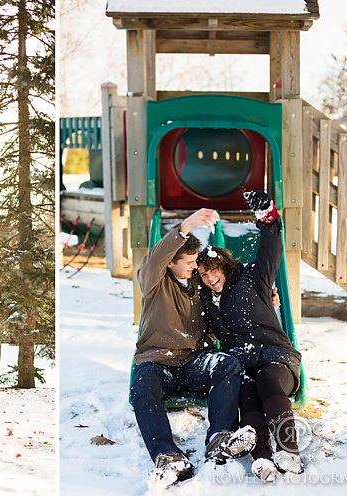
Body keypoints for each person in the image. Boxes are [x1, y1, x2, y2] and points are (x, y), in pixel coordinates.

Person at [129, 208, 256, 485]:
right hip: (158, 360)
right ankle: (168, 456)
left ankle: (219, 438)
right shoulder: (155, 282)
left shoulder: (200, 284)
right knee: (141, 389)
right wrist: (185, 226)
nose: (193, 266)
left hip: (194, 361)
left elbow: (230, 283)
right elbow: (153, 259)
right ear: (170, 263)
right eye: (187, 261)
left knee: (227, 365)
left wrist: (265, 299)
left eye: (194, 261)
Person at [196, 191, 303, 482]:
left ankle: (289, 451)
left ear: (224, 266)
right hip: (242, 364)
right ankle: (264, 459)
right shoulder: (206, 301)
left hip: (276, 356)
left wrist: (267, 218)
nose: (209, 278)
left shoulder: (252, 279)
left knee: (267, 381)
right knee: (247, 395)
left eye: (212, 270)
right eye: (203, 275)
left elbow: (271, 248)